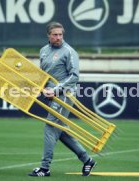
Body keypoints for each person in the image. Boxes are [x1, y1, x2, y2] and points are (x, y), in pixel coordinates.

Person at [28, 22, 96, 177]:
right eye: (55, 35)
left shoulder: (69, 52)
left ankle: (45, 168)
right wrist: (42, 88)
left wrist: (56, 90)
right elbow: (43, 74)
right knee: (61, 131)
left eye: (60, 34)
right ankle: (87, 160)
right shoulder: (43, 51)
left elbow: (74, 76)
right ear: (48, 35)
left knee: (50, 126)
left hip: (65, 94)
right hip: (51, 95)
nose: (58, 37)